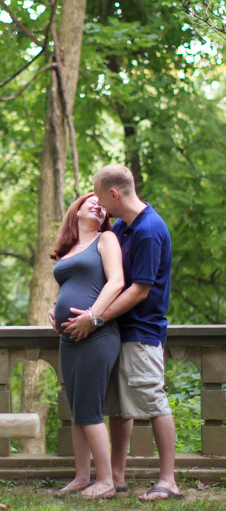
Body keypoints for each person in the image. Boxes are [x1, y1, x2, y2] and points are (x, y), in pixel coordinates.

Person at [64, 164, 182, 501]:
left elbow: (138, 291)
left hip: (142, 330)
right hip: (119, 330)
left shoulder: (147, 230)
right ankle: (115, 476)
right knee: (119, 406)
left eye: (100, 196)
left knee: (153, 400)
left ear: (113, 194)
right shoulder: (125, 228)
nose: (99, 205)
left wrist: (95, 319)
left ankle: (168, 480)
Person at [48, 192, 124, 500]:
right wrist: (57, 308)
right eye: (89, 200)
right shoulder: (69, 248)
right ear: (76, 210)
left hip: (97, 335)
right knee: (77, 409)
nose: (97, 204)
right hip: (69, 338)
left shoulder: (106, 240)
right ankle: (82, 476)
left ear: (106, 216)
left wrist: (92, 317)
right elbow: (74, 285)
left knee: (91, 408)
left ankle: (105, 481)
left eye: (102, 204)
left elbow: (116, 282)